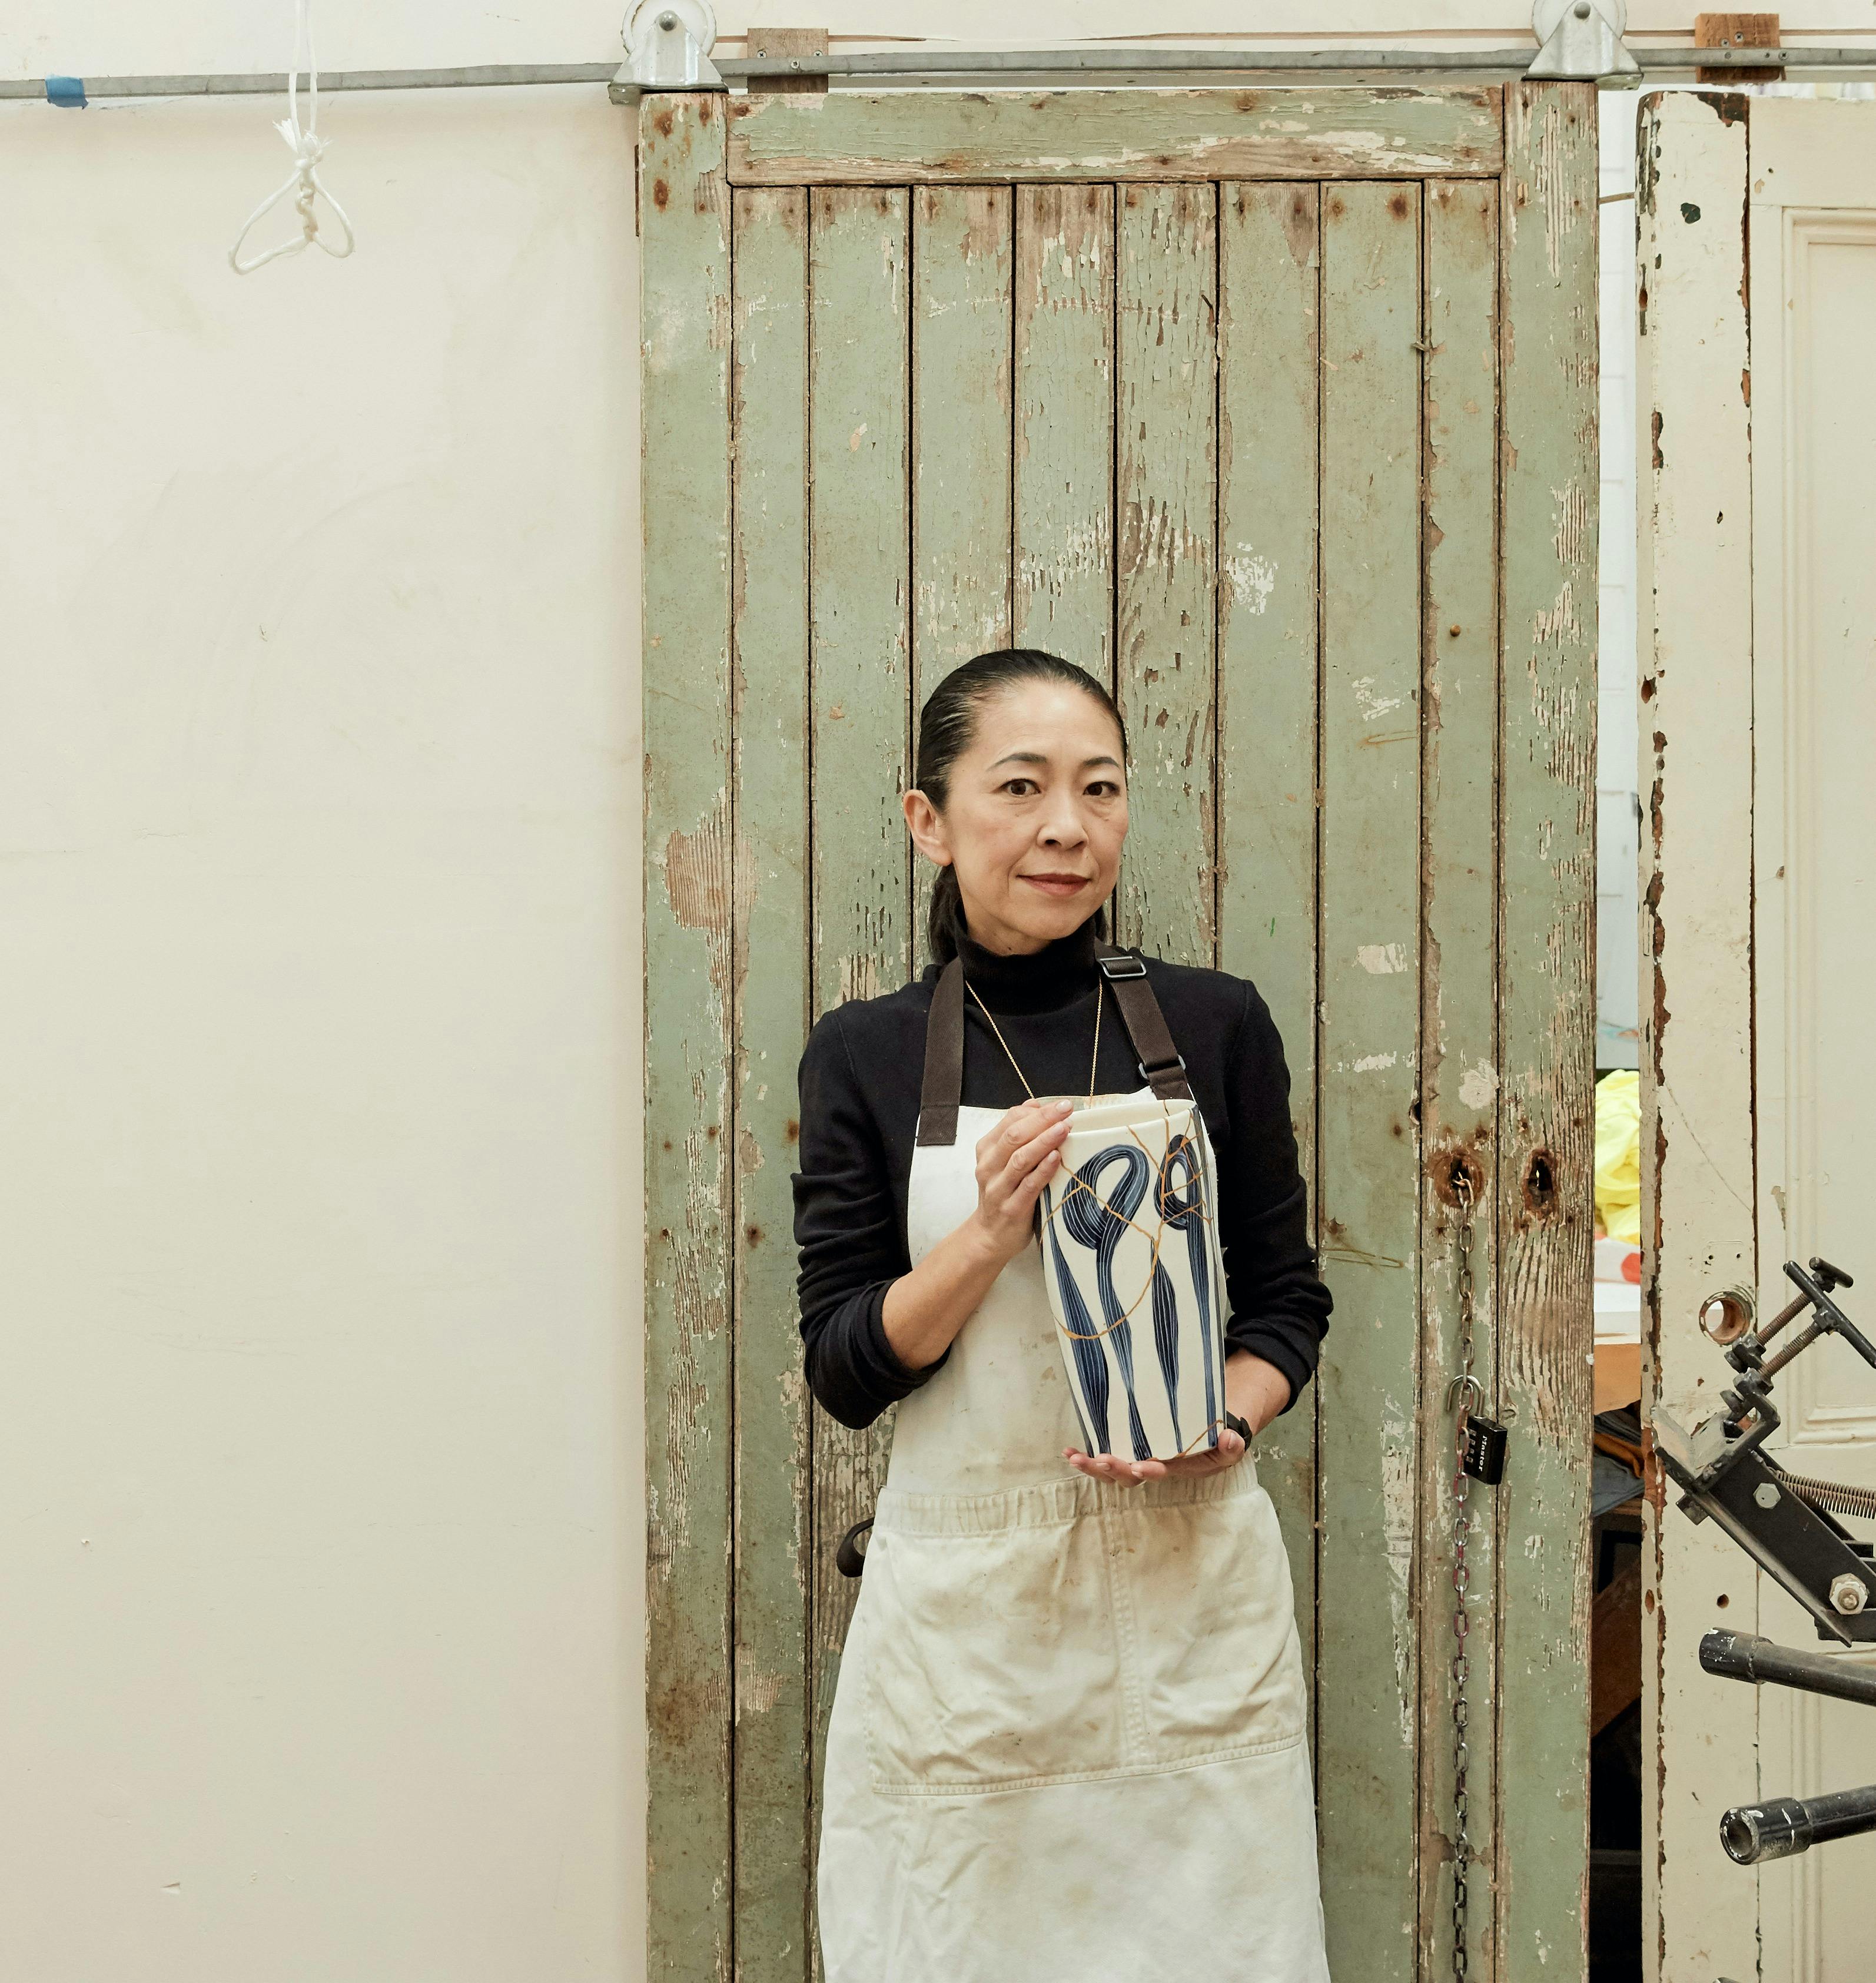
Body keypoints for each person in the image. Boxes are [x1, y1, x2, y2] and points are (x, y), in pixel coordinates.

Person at [792, 648, 1334, 1979]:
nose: (1065, 827)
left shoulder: (1215, 1025)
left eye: (1098, 789)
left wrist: (1228, 1414)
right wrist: (983, 1237)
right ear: (929, 819)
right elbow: (847, 1366)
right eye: (1020, 787)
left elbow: (1285, 1305)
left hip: (1189, 1576)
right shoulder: (863, 1051)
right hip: (969, 1631)